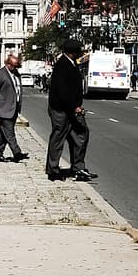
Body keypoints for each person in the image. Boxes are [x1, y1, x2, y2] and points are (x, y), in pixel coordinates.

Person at [45, 39, 96, 182]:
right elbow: (63, 91)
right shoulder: (63, 65)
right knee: (58, 138)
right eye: (79, 51)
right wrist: (75, 106)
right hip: (61, 110)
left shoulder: (71, 64)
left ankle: (78, 167)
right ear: (73, 53)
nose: (80, 53)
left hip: (70, 109)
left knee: (81, 135)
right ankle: (53, 169)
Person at [0, 52, 28, 163]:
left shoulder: (16, 74)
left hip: (14, 107)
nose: (15, 68)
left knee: (4, 132)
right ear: (7, 64)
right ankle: (17, 153)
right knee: (9, 132)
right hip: (3, 108)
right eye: (13, 66)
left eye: (16, 66)